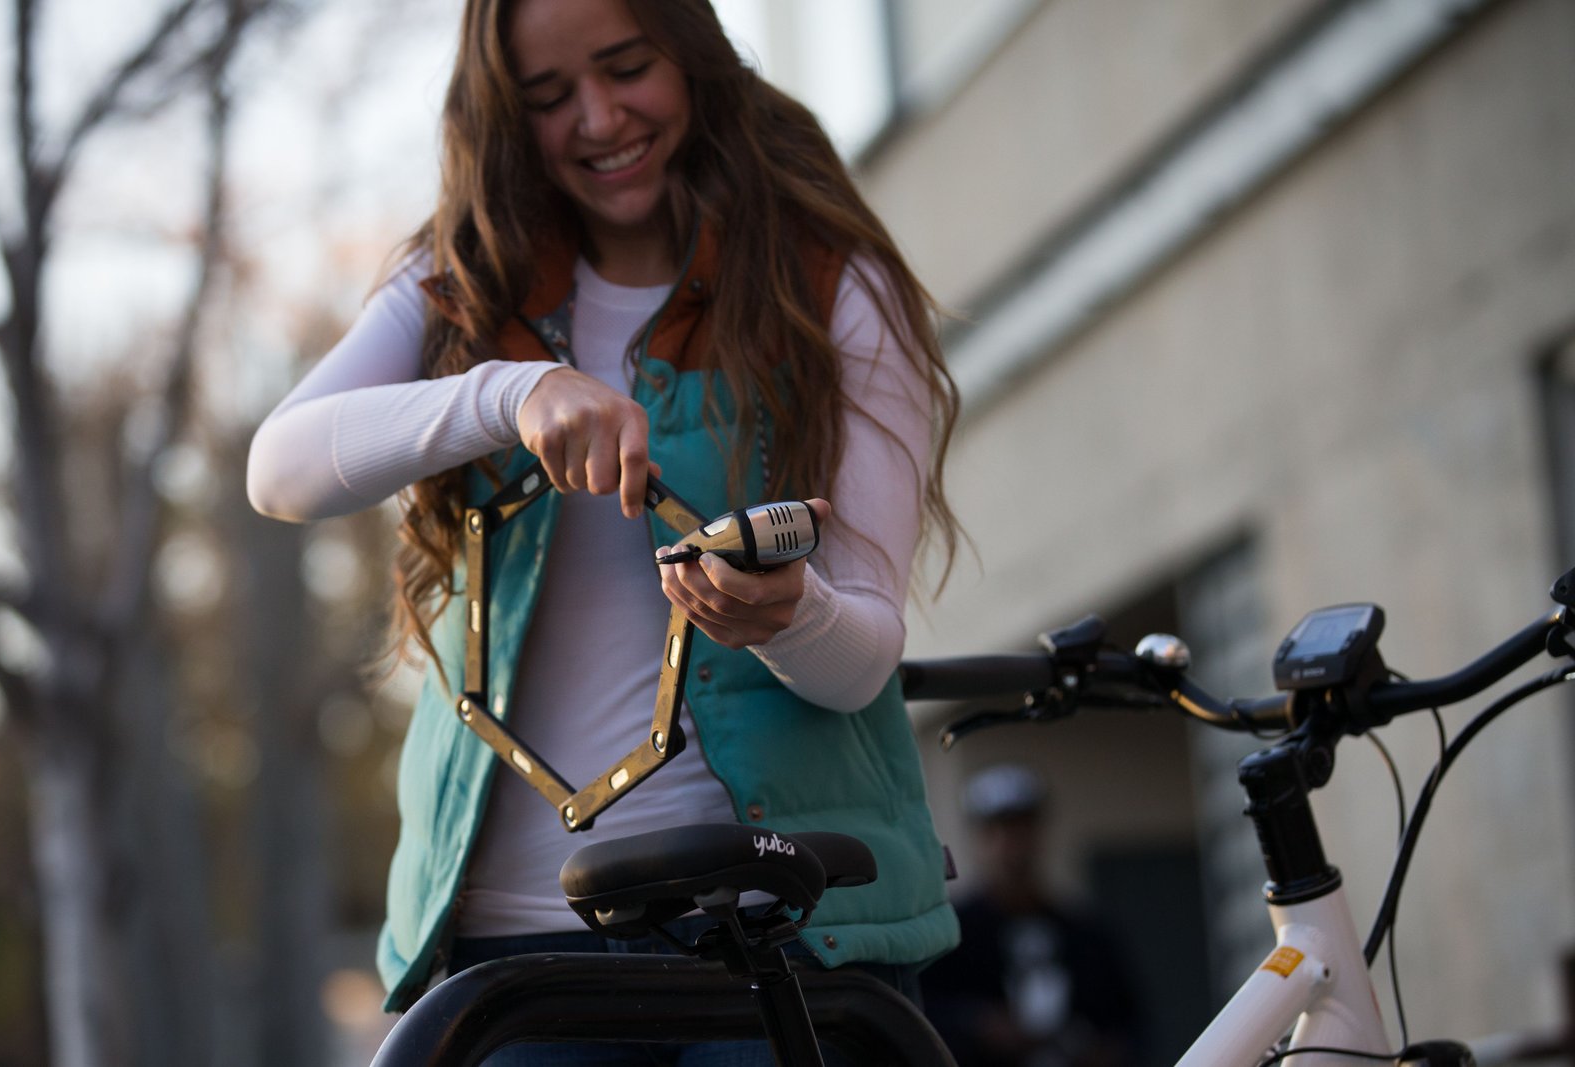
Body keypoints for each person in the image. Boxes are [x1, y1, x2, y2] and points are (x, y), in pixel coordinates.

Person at [246, 0, 962, 1061]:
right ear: (502, 113)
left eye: (627, 68)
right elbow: (280, 468)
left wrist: (789, 613)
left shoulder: (832, 285)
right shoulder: (462, 282)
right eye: (547, 96)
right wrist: (512, 391)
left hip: (786, 935)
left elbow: (859, 662)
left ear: (694, 54)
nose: (597, 119)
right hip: (511, 958)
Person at [920, 765, 1145, 1067]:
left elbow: (1129, 1024)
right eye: (996, 831)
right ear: (978, 839)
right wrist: (977, 1024)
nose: (1011, 846)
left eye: (1021, 829)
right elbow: (922, 1013)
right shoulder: (950, 935)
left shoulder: (1086, 934)